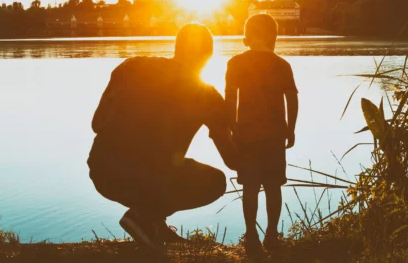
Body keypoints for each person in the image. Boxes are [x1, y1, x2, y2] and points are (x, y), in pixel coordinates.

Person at [87, 23, 239, 252]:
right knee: (214, 181)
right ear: (208, 56)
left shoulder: (130, 67)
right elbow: (231, 159)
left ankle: (154, 224)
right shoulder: (207, 96)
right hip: (146, 176)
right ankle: (142, 216)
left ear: (177, 47)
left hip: (102, 171)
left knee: (162, 166)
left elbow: (97, 124)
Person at [225, 14, 299, 260]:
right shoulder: (281, 64)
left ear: (246, 38)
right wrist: (291, 128)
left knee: (250, 188)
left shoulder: (235, 63)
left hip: (246, 136)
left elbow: (230, 99)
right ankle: (271, 234)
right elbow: (292, 98)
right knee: (273, 187)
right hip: (274, 137)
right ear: (273, 37)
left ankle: (251, 235)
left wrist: (232, 128)